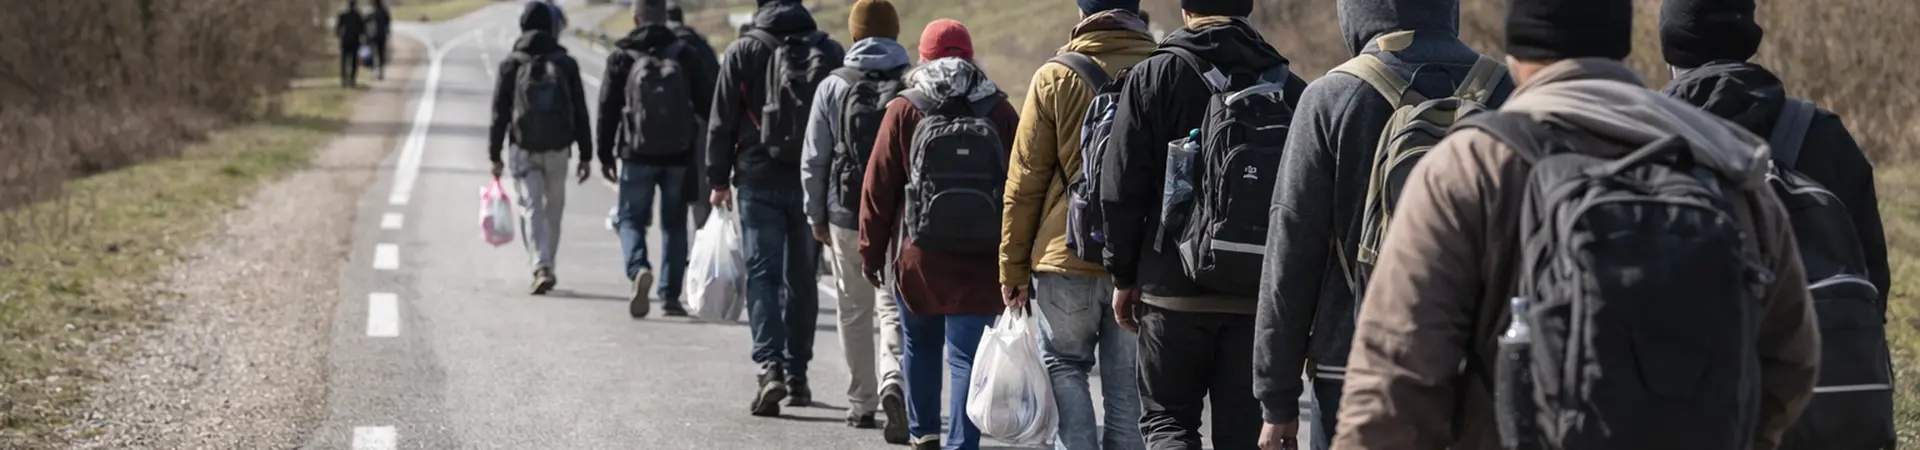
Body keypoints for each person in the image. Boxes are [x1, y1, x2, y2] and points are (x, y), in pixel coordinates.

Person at [1333, 0, 1819, 448]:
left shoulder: (1471, 167)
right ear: (1622, 44)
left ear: (1515, 54)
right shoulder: (1726, 164)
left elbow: (1394, 385)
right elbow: (1792, 363)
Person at [1249, 0, 1514, 448]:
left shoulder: (1330, 97)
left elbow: (1291, 255)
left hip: (1354, 368)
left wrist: (1277, 398)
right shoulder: (1503, 89)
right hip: (1478, 369)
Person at [1659, 1, 1892, 448]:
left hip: (1695, 409)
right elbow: (1871, 285)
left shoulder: (1640, 140)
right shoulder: (1823, 135)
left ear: (1669, 44)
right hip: (1820, 407)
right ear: (1749, 34)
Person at [1100, 0, 1307, 448]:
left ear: (1184, 8)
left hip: (1171, 292)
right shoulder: (1287, 85)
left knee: (1168, 424)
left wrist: (1122, 274)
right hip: (1256, 296)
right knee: (1242, 434)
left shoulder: (1154, 76)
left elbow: (1120, 185)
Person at [997, 1, 1154, 449]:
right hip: (1140, 259)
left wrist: (1012, 268)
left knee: (1065, 365)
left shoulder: (1055, 75)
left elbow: (1024, 183)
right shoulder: (1166, 70)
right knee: (1128, 384)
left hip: (1063, 255)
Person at [860, 19, 1021, 450]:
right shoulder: (999, 109)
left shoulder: (905, 108)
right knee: (967, 356)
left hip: (918, 255)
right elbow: (1022, 188)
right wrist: (1019, 261)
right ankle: (961, 444)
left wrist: (871, 254)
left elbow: (878, 189)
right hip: (982, 258)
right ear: (969, 56)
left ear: (924, 57)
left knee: (920, 344)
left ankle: (923, 431)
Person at [706, 0, 844, 418]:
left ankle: (771, 368)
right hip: (810, 181)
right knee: (802, 277)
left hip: (756, 177)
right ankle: (799, 375)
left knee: (763, 276)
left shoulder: (743, 50)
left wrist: (716, 179)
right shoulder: (830, 50)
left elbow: (721, 118)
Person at [799, 0, 912, 439]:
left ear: (855, 34)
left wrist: (816, 213)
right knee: (892, 307)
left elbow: (815, 158)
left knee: (853, 309)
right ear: (895, 31)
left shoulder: (834, 85)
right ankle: (894, 380)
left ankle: (861, 402)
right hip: (901, 214)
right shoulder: (912, 81)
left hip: (846, 211)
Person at [599, 0, 716, 318]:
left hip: (635, 154)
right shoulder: (685, 54)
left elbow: (608, 108)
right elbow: (708, 105)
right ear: (665, 18)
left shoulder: (622, 55)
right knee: (675, 224)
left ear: (636, 18)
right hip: (679, 155)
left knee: (631, 218)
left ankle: (638, 268)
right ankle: (670, 296)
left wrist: (603, 154)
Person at [487, 1, 598, 295]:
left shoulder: (512, 63)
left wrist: (494, 155)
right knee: (554, 209)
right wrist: (587, 154)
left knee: (531, 207)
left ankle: (540, 263)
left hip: (523, 147)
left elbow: (500, 113)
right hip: (559, 149)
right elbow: (580, 111)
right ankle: (547, 262)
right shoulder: (566, 63)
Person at [667, 1, 722, 230]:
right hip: (700, 122)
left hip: (665, 126)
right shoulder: (698, 44)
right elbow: (717, 83)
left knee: (673, 189)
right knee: (701, 187)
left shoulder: (658, 44)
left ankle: (677, 248)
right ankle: (701, 239)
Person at [334, 0, 366, 88]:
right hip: (355, 40)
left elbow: (337, 28)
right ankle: (352, 80)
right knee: (353, 61)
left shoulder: (343, 15)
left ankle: (344, 80)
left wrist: (339, 35)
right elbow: (362, 29)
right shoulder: (358, 15)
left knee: (344, 61)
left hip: (345, 40)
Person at [366, 0, 392, 80]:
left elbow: (366, 23)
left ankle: (375, 71)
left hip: (373, 36)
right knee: (381, 54)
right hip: (382, 35)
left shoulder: (372, 12)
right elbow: (388, 23)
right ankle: (380, 71)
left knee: (374, 54)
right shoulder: (384, 12)